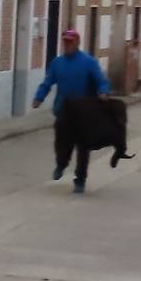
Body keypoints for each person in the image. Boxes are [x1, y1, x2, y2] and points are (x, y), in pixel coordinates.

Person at [32, 27, 111, 194]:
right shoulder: (57, 63)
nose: (67, 45)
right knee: (62, 143)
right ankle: (61, 164)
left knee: (83, 149)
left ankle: (80, 179)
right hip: (63, 111)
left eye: (70, 42)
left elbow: (102, 80)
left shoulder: (89, 62)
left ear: (77, 42)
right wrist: (39, 97)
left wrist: (103, 91)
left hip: (84, 113)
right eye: (65, 42)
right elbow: (47, 82)